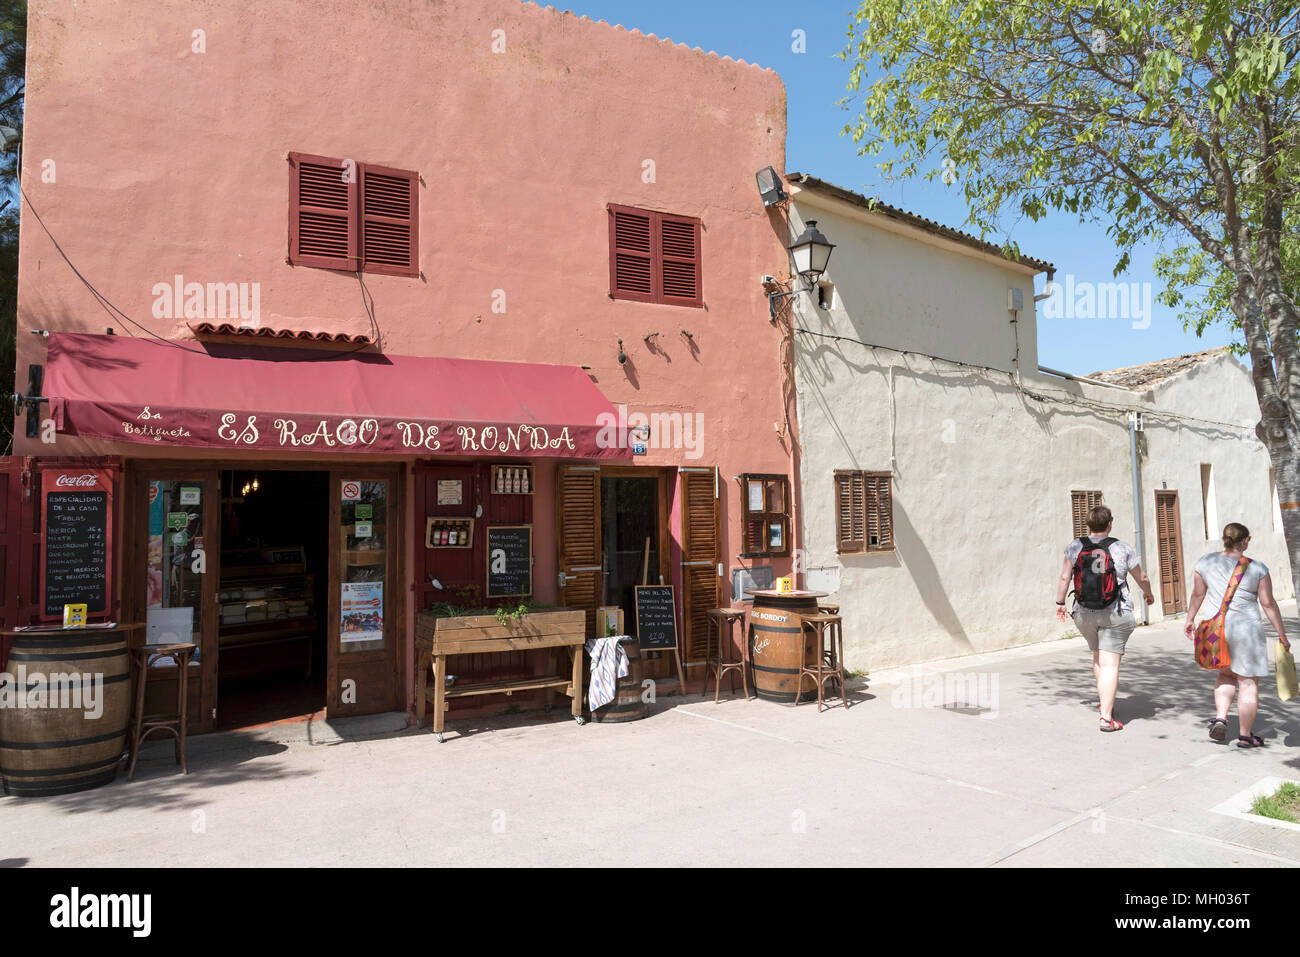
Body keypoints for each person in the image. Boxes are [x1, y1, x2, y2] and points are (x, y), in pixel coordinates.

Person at [1184, 523, 1291, 748]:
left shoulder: (1205, 562)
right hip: (1247, 633)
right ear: (1246, 541)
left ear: (1224, 539)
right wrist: (1282, 635)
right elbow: (1268, 604)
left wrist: (1190, 619)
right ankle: (1244, 735)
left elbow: (1197, 593)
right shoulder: (1258, 568)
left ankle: (1221, 718)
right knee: (1248, 682)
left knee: (1225, 676)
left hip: (1216, 632)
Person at [1055, 505, 1156, 732]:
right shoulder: (1121, 548)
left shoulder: (1075, 546)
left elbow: (1064, 577)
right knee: (1110, 664)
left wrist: (1060, 603)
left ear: (1088, 525)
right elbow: (1142, 577)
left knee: (1099, 658)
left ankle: (1105, 701)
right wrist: (1148, 594)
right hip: (1116, 613)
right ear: (1110, 524)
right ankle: (1106, 717)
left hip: (1084, 614)